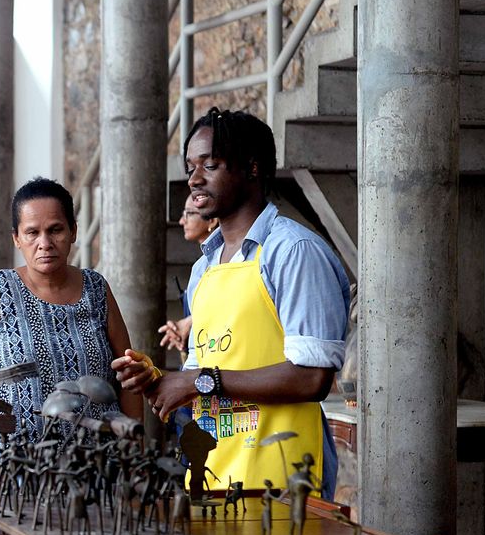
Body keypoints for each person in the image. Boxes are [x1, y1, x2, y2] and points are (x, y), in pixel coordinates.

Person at [114, 107, 350, 498]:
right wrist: (159, 381)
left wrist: (198, 381)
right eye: (191, 167)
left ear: (252, 169)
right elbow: (200, 377)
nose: (194, 179)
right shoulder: (204, 269)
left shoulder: (292, 251)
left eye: (211, 164)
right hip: (212, 478)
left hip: (281, 480)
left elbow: (312, 378)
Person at [0, 177, 139, 483]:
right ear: (16, 238)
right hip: (13, 471)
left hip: (100, 471)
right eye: (32, 232)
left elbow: (128, 377)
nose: (45, 243)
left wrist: (132, 453)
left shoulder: (97, 289)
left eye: (55, 230)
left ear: (73, 231)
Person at [158, 194, 219, 354]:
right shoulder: (200, 265)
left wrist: (190, 322)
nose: (181, 221)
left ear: (212, 221)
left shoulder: (226, 262)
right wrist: (182, 328)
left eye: (189, 214)